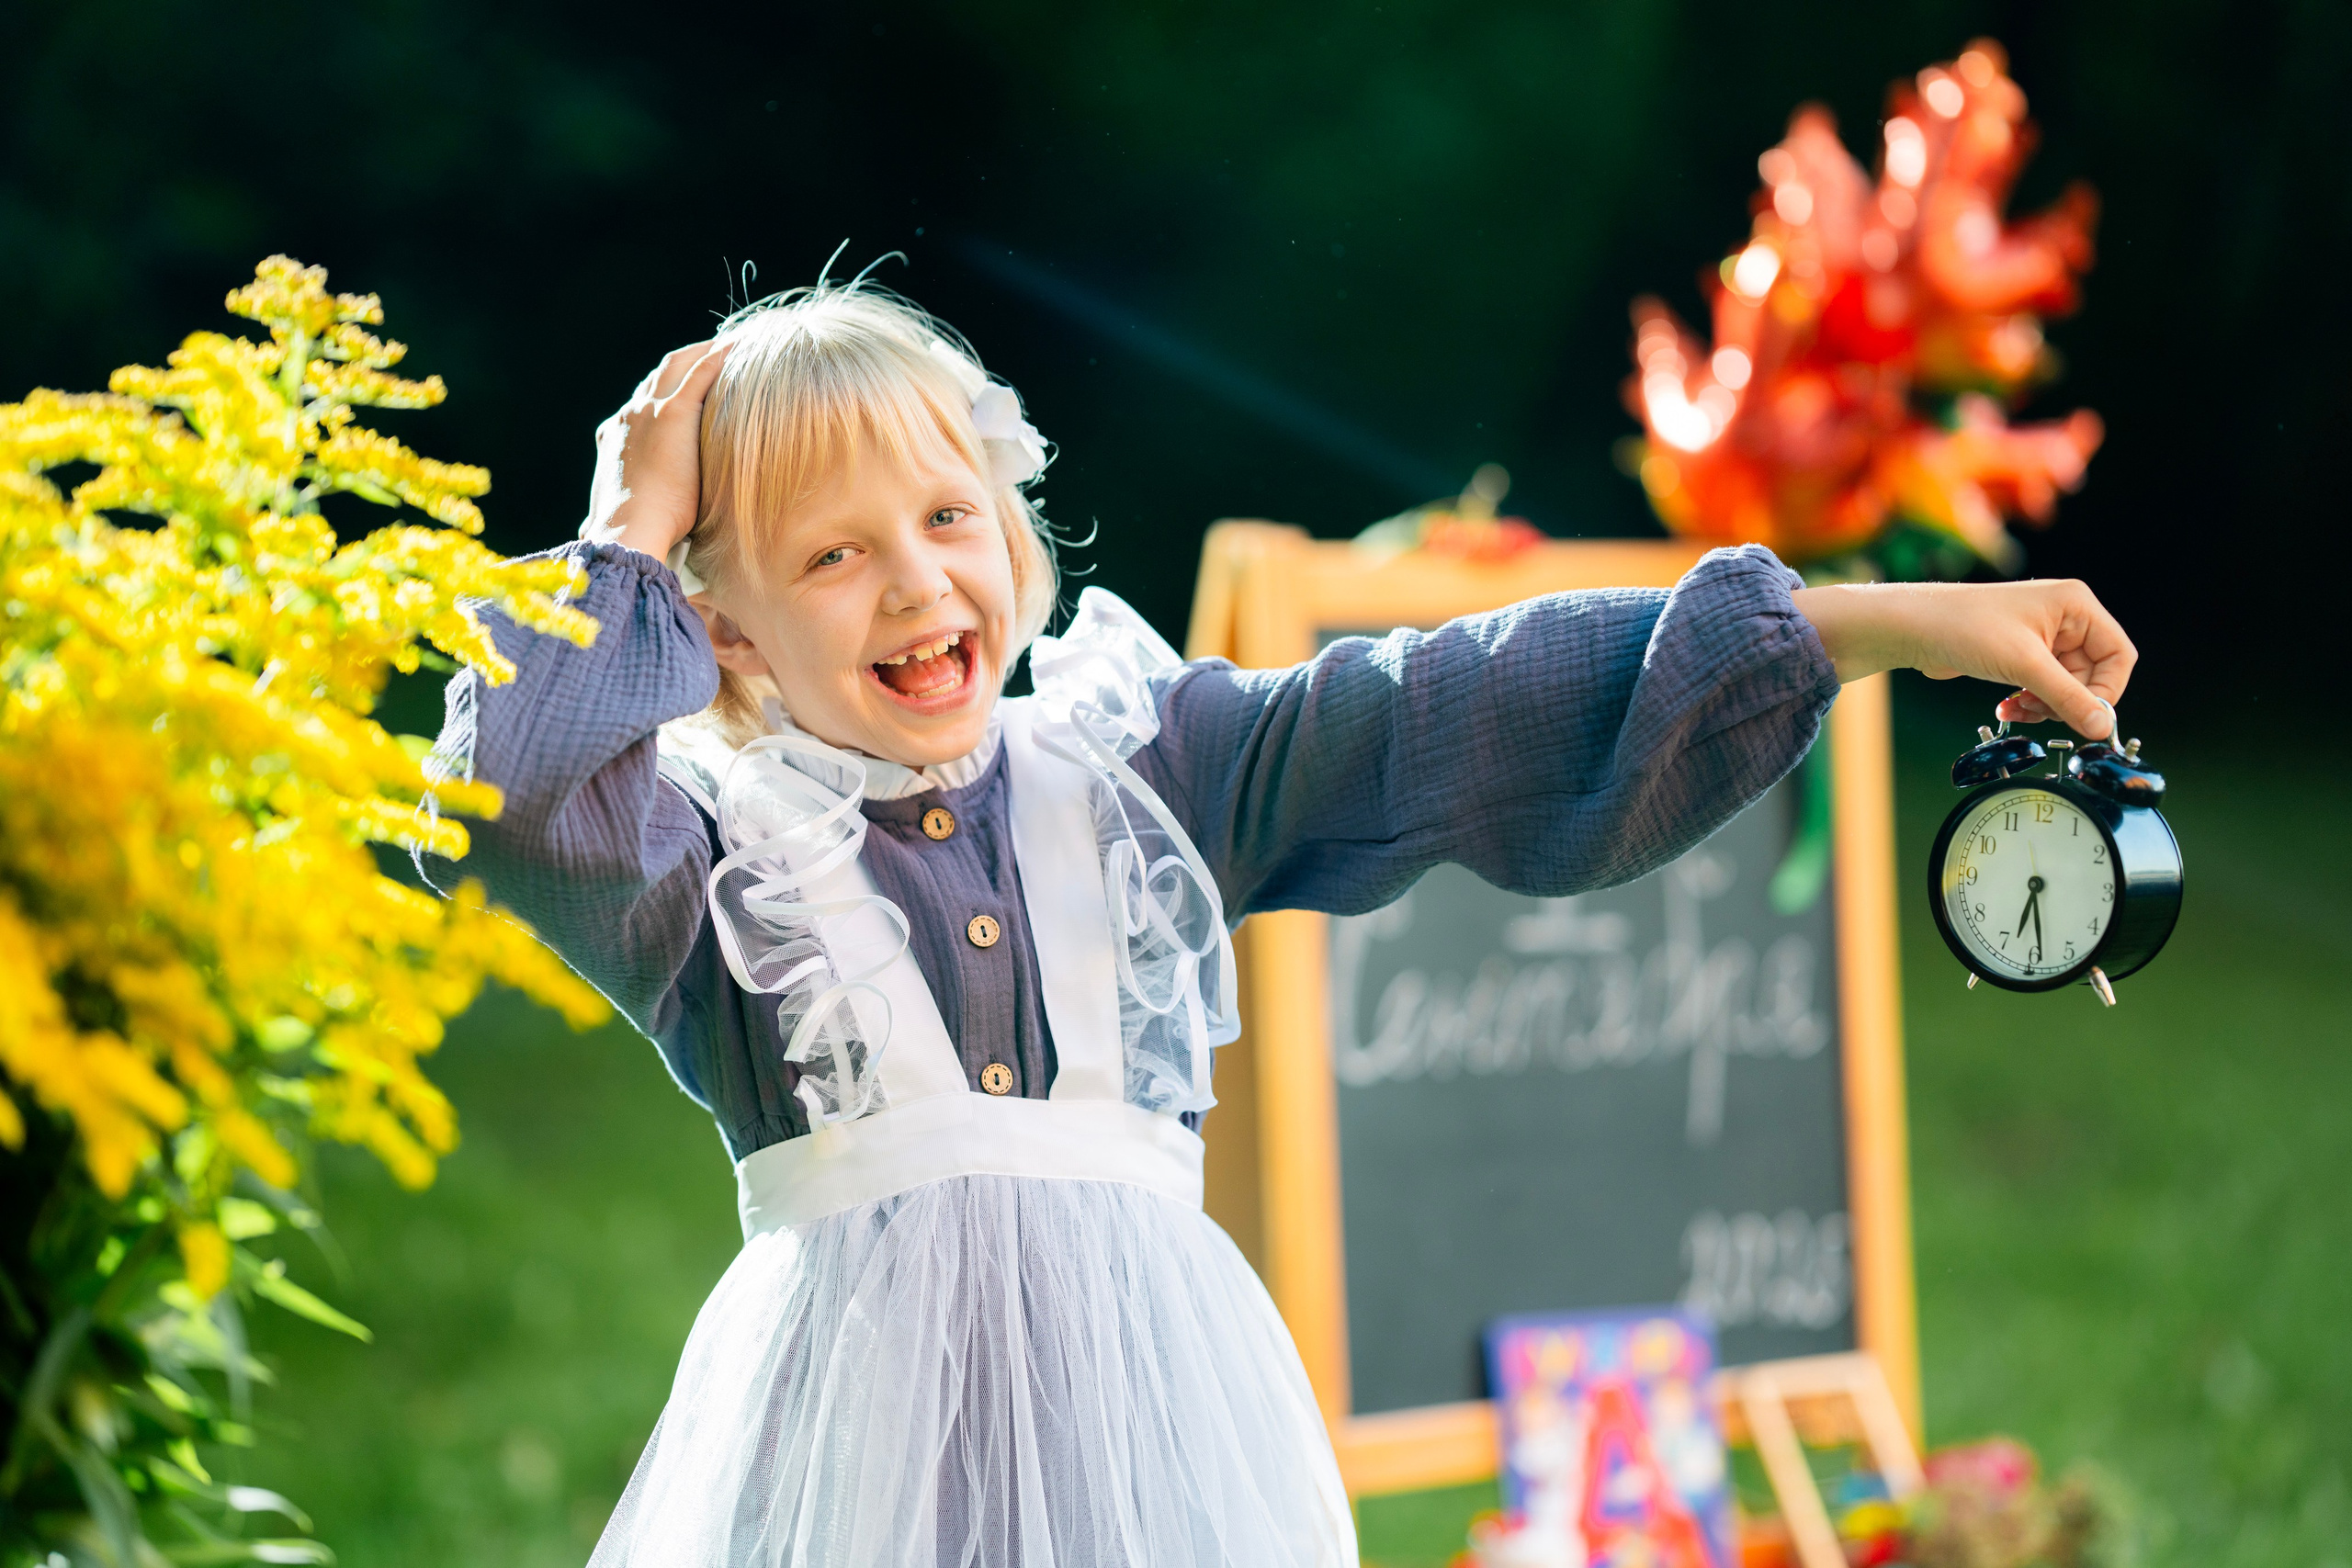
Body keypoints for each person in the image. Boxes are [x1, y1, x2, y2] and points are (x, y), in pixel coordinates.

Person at [424, 277, 2134, 1568]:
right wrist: (629, 521)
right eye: (832, 559)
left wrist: (1886, 623)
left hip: (1158, 1458)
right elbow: (498, 788)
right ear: (719, 636)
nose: (920, 583)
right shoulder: (719, 866)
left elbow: (1460, 707)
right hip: (864, 1486)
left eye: (950, 520)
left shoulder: (1145, 772)